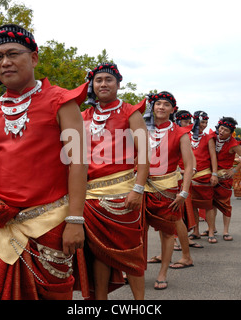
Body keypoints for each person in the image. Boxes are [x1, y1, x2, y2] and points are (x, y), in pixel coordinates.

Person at [0, 24, 88, 300]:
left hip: (50, 224)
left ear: (33, 58)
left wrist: (75, 220)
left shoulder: (62, 102)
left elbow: (78, 163)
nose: (5, 62)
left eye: (13, 54)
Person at [81, 62, 149, 300]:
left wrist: (138, 189)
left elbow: (145, 155)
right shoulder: (83, 116)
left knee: (131, 252)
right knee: (99, 253)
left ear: (118, 84)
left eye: (108, 80)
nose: (103, 84)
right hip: (89, 198)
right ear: (92, 85)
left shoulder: (131, 113)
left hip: (123, 194)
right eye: (98, 80)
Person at [143, 92, 194, 290]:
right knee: (138, 232)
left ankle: (163, 272)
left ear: (173, 109)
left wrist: (184, 192)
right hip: (140, 188)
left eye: (166, 104)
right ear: (153, 107)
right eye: (158, 104)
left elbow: (189, 165)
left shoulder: (180, 133)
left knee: (166, 233)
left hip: (167, 189)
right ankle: (135, 270)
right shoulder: (141, 128)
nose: (161, 107)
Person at [205, 117, 241, 243]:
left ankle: (225, 231)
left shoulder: (233, 143)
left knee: (225, 205)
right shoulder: (212, 137)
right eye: (221, 128)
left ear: (231, 133)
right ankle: (211, 229)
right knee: (210, 204)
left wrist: (234, 170)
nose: (222, 131)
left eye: (225, 130)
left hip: (224, 179)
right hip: (210, 176)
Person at [185, 111, 217, 239]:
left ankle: (210, 231)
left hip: (204, 176)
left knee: (208, 205)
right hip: (188, 177)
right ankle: (196, 231)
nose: (204, 125)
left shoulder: (208, 137)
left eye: (206, 123)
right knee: (192, 206)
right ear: (195, 121)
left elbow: (213, 156)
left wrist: (214, 173)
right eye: (202, 122)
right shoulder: (186, 136)